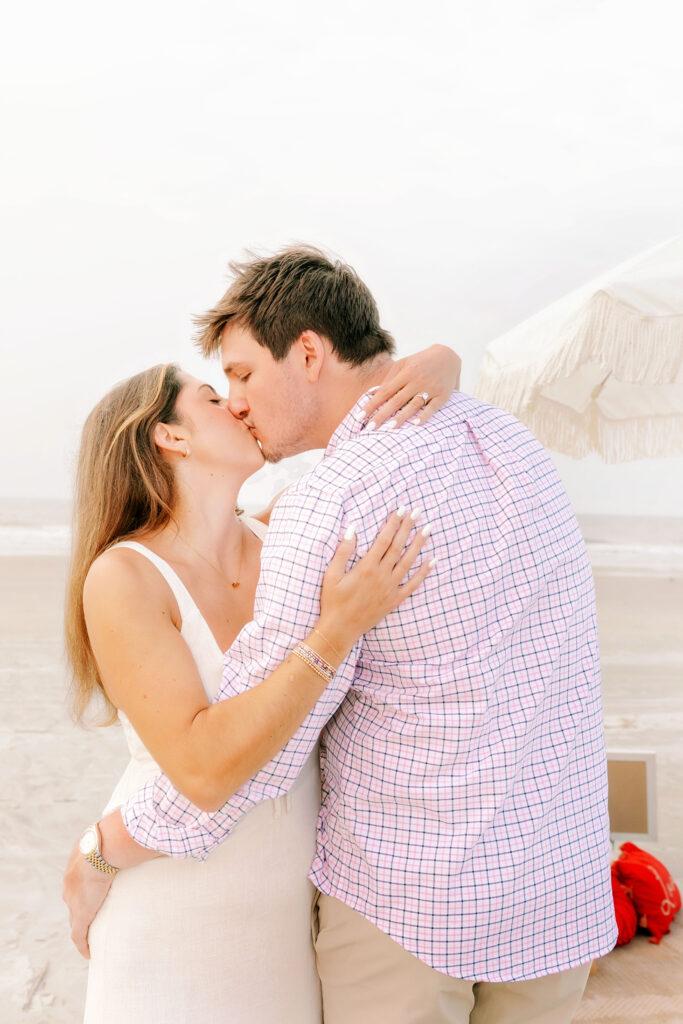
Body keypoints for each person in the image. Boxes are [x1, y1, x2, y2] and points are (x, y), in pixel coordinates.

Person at [66, 246, 618, 1024]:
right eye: (219, 391)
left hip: (409, 906)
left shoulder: (323, 506)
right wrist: (440, 360)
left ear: (311, 353)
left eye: (243, 376)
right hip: (553, 891)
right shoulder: (510, 443)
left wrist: (104, 849)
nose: (238, 402)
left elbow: (259, 760)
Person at [63, 346, 459, 1022]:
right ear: (170, 436)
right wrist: (336, 631)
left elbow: (367, 393)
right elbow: (201, 768)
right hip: (170, 913)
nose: (239, 404)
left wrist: (444, 365)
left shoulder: (285, 533)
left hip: (287, 926)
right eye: (213, 400)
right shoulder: (124, 577)